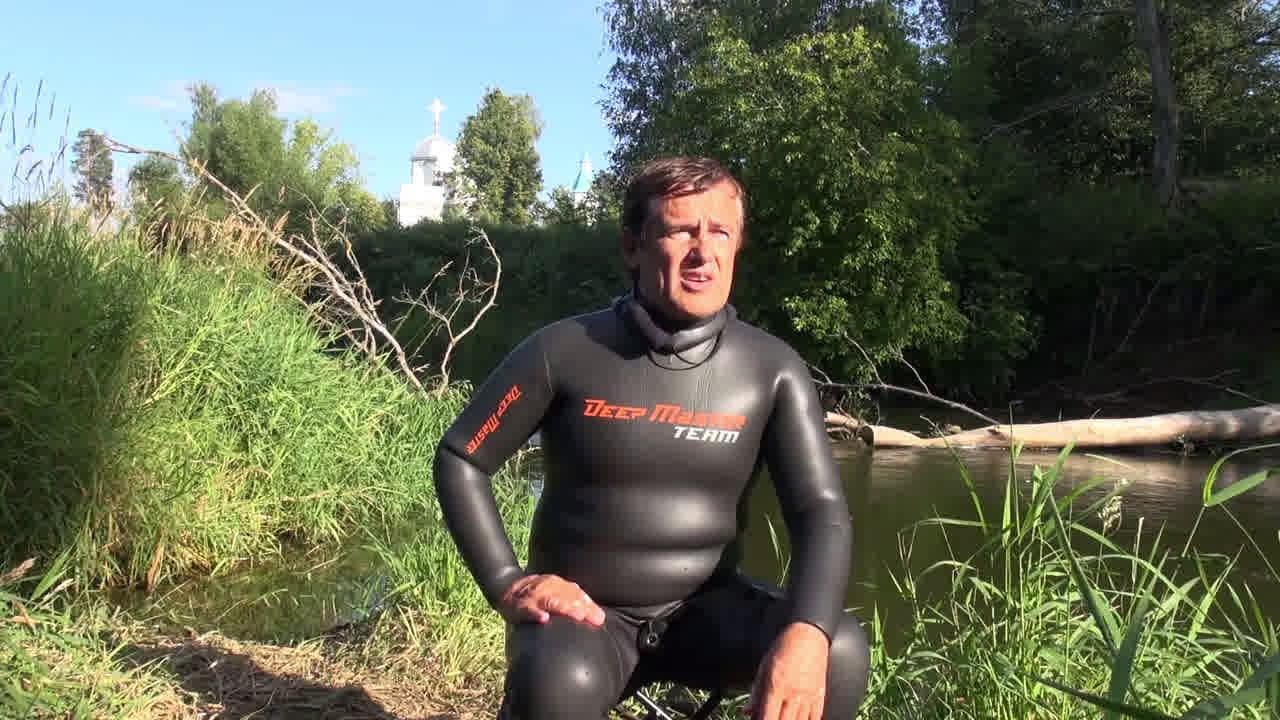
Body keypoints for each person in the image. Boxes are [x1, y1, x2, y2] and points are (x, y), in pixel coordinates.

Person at [432, 156, 869, 720]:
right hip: (585, 621)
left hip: (707, 613)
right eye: (680, 230)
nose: (703, 252)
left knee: (840, 649)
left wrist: (807, 631)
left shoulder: (772, 370)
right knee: (557, 682)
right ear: (632, 246)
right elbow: (461, 458)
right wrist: (507, 582)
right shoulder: (563, 351)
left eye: (720, 232)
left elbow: (819, 510)